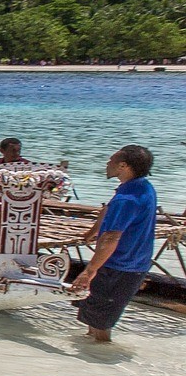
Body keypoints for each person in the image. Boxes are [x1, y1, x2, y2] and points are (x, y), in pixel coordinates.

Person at [72, 145, 158, 343]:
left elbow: (111, 237)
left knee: (101, 324)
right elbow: (108, 208)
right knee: (93, 314)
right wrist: (92, 232)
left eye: (111, 161)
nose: (107, 164)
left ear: (123, 166)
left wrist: (89, 271)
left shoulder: (127, 199)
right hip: (133, 262)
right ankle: (87, 355)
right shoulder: (141, 186)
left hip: (120, 265)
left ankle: (100, 359)